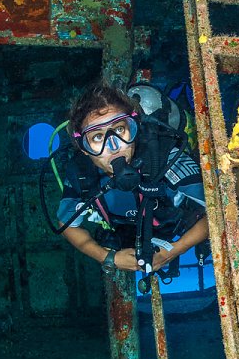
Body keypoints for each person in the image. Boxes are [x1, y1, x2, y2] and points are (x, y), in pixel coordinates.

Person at [57, 80, 209, 278]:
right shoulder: (81, 175)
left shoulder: (166, 159)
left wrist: (176, 249)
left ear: (134, 127)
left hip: (176, 224)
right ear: (83, 149)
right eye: (96, 138)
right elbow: (66, 224)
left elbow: (216, 212)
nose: (113, 146)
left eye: (120, 130)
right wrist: (108, 257)